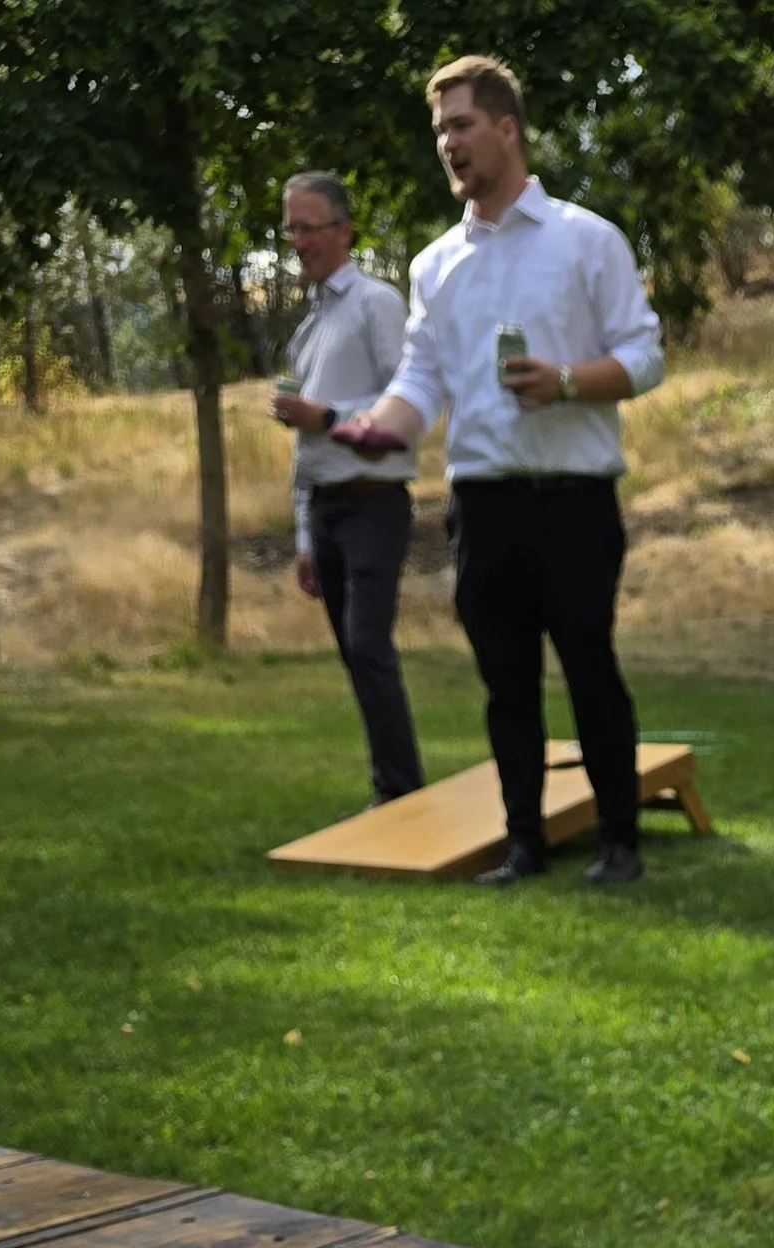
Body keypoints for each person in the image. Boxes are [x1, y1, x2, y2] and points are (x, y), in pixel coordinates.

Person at [334, 57, 660, 887]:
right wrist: (379, 426)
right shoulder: (436, 265)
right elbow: (424, 377)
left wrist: (570, 382)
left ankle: (620, 839)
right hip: (482, 505)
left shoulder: (588, 240)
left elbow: (644, 354)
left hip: (574, 499)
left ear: (508, 129)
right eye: (440, 129)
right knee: (505, 683)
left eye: (462, 125)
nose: (448, 144)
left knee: (590, 669)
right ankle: (525, 845)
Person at [270, 172, 424, 807]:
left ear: (344, 231)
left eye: (309, 227)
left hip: (374, 505)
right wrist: (305, 535)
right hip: (328, 509)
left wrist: (328, 418)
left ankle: (402, 790)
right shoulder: (308, 328)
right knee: (354, 656)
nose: (298, 241)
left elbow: (408, 400)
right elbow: (305, 454)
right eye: (291, 229)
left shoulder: (374, 304)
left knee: (368, 647)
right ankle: (391, 785)